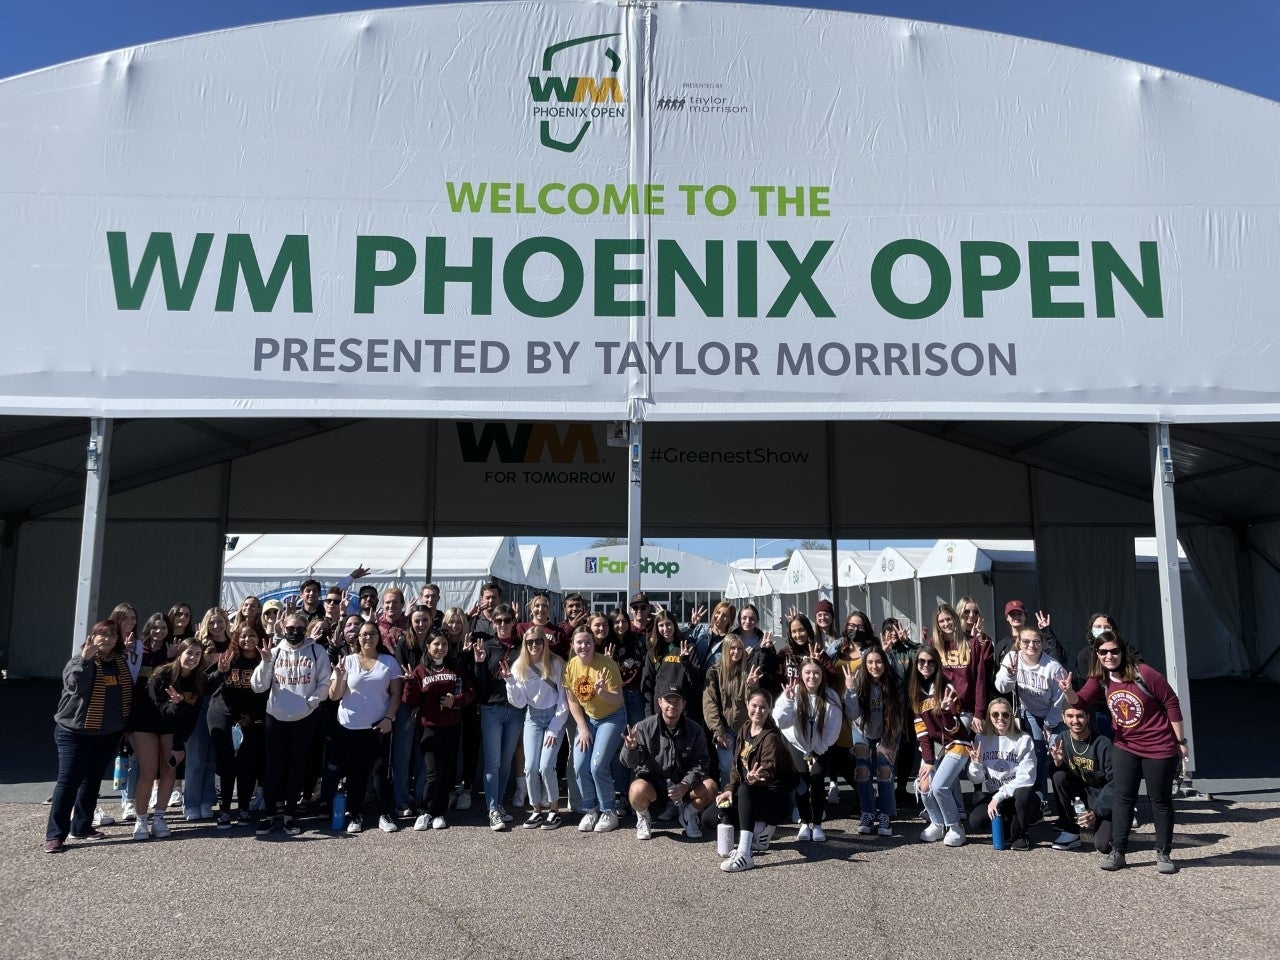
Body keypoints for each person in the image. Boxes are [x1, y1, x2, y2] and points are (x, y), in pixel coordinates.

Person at [1060, 631, 1187, 873]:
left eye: (1114, 651)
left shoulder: (1145, 673)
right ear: (1097, 655)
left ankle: (1163, 852)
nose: (1109, 656)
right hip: (1125, 745)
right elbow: (1081, 701)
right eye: (1103, 652)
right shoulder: (1100, 678)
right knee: (1123, 799)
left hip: (1158, 745)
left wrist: (1181, 741)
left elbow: (1171, 702)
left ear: (1123, 652)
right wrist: (1068, 692)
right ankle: (1118, 851)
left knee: (1159, 800)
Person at [45, 621, 133, 853]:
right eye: (102, 635)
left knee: (92, 779)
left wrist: (125, 726)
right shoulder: (79, 661)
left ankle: (82, 827)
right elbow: (76, 687)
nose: (107, 639)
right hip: (74, 732)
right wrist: (85, 660)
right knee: (68, 781)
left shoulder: (119, 664)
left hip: (107, 733)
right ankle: (55, 835)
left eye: (112, 636)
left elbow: (125, 696)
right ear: (92, 637)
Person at [250, 612, 333, 836]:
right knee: (273, 767)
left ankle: (289, 814)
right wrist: (266, 662)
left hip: (304, 718)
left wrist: (312, 702)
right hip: (275, 717)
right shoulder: (274, 652)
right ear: (283, 628)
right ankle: (269, 815)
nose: (294, 632)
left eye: (298, 628)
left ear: (305, 628)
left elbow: (325, 682)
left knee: (297, 766)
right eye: (290, 628)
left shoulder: (317, 651)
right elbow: (258, 686)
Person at [328, 620, 402, 834]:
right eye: (363, 635)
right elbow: (334, 695)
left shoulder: (388, 662)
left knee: (380, 772)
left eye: (372, 634)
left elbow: (396, 694)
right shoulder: (347, 662)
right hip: (350, 726)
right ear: (357, 639)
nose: (368, 638)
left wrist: (389, 718)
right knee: (355, 773)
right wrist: (340, 676)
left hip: (380, 725)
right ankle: (356, 814)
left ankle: (384, 814)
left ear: (379, 637)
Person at [621, 684, 717, 841]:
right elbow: (629, 763)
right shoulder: (644, 727)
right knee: (636, 790)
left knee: (711, 787)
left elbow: (701, 762)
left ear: (684, 704)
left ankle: (689, 814)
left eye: (677, 702)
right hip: (655, 785)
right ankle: (644, 817)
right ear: (659, 702)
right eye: (668, 701)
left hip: (684, 785)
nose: (672, 705)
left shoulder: (695, 730)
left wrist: (685, 784)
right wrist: (630, 748)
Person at [133, 640, 206, 839]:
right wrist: (178, 704)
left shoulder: (199, 680)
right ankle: (141, 821)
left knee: (169, 770)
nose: (193, 658)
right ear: (180, 653)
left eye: (198, 654)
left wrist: (179, 743)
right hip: (146, 725)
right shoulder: (162, 675)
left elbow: (192, 717)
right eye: (189, 653)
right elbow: (162, 708)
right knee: (148, 772)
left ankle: (159, 818)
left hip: (171, 729)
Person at [715, 690, 793, 872]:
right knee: (712, 817)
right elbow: (736, 765)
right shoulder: (745, 728)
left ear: (769, 710)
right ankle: (758, 827)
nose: (758, 710)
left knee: (745, 789)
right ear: (747, 706)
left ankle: (745, 852)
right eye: (754, 706)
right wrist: (728, 789)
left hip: (774, 800)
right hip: (751, 795)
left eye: (763, 707)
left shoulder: (771, 736)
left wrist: (756, 777)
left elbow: (768, 770)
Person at [405, 630, 474, 831]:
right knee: (433, 771)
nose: (440, 648)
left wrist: (456, 700)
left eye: (444, 644)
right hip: (429, 727)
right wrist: (409, 683)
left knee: (446, 770)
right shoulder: (420, 670)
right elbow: (410, 701)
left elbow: (470, 692)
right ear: (428, 646)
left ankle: (439, 812)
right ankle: (425, 811)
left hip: (452, 726)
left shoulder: (455, 667)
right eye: (436, 644)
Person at [563, 625, 626, 833]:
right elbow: (572, 701)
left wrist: (601, 692)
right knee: (580, 764)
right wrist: (582, 728)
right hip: (589, 719)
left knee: (597, 765)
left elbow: (617, 699)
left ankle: (609, 810)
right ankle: (591, 809)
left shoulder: (607, 664)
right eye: (579, 642)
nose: (584, 646)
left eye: (588, 642)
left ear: (593, 644)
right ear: (573, 645)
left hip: (612, 716)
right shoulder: (571, 667)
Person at [505, 626, 569, 830]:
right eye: (530, 642)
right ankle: (536, 810)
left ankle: (554, 810)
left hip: (553, 716)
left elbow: (563, 700)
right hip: (532, 718)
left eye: (538, 641)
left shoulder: (556, 663)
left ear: (545, 642)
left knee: (546, 765)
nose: (534, 645)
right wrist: (510, 682)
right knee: (531, 767)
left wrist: (554, 727)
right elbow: (519, 702)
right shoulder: (519, 666)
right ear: (525, 644)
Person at [468, 602, 524, 831]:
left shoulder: (522, 648)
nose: (503, 625)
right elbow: (479, 684)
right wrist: (479, 663)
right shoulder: (487, 646)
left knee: (507, 759)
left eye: (507, 620)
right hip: (491, 709)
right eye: (498, 621)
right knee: (492, 760)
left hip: (515, 709)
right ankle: (492, 808)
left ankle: (499, 803)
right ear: (493, 623)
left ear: (513, 622)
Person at [994, 626, 1067, 802]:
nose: (1031, 645)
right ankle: (1041, 800)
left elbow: (1060, 700)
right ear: (1019, 643)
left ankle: (1067, 799)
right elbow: (1002, 687)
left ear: (1042, 644)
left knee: (1060, 753)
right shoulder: (1012, 658)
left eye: (1036, 641)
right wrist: (1010, 675)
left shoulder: (1053, 667)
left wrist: (1049, 725)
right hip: (1031, 712)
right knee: (1037, 753)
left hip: (1054, 713)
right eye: (1026, 641)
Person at [206, 622, 268, 828]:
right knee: (225, 763)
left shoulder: (264, 660)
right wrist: (220, 672)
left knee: (247, 763)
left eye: (252, 635)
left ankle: (243, 808)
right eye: (242, 636)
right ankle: (224, 810)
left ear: (259, 637)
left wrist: (252, 716)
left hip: (250, 717)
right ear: (236, 638)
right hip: (222, 713)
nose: (247, 639)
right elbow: (207, 685)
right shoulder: (228, 657)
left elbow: (268, 694)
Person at [773, 659, 843, 842]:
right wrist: (788, 702)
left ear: (822, 675)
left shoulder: (831, 696)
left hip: (822, 746)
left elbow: (833, 730)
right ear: (801, 675)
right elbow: (780, 721)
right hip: (797, 744)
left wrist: (816, 752)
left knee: (818, 779)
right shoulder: (792, 693)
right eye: (808, 673)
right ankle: (805, 823)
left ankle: (818, 824)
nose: (812, 677)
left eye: (816, 673)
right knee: (801, 781)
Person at [911, 644, 970, 847]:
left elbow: (954, 728)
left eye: (930, 662)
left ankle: (956, 827)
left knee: (939, 787)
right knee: (923, 785)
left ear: (937, 664)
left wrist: (945, 711)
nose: (925, 665)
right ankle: (937, 823)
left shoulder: (947, 689)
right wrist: (928, 761)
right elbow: (922, 731)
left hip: (957, 743)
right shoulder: (916, 692)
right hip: (936, 747)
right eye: (921, 661)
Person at [966, 697, 1041, 849]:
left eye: (1005, 714)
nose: (1001, 718)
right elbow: (976, 779)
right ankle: (1012, 820)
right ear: (989, 717)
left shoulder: (1023, 739)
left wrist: (998, 797)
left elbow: (1027, 778)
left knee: (1024, 796)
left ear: (1011, 717)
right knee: (976, 821)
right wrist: (976, 763)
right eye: (995, 715)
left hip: (1017, 794)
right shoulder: (981, 739)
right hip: (997, 794)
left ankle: (1023, 833)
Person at [844, 646, 903, 836]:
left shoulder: (895, 683)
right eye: (870, 662)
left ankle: (885, 814)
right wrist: (851, 690)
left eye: (878, 662)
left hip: (887, 730)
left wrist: (889, 740)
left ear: (885, 663)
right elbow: (852, 714)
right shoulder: (858, 680)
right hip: (862, 729)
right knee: (863, 772)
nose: (874, 666)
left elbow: (898, 716)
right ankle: (868, 812)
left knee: (885, 771)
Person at [1049, 704, 1115, 854]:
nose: (1075, 721)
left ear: (1088, 718)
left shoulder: (1103, 744)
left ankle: (1120, 818)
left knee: (1103, 846)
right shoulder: (1062, 739)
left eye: (1080, 716)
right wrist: (1058, 763)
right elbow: (1057, 779)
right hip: (1080, 794)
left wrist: (1095, 811)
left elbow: (1115, 783)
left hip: (1101, 795)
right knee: (1058, 776)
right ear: (1063, 719)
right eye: (1070, 716)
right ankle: (1070, 830)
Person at [391, 604, 435, 816]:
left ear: (431, 620)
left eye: (424, 620)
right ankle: (401, 800)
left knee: (423, 753)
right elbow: (403, 676)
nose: (421, 624)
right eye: (417, 620)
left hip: (428, 705)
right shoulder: (403, 643)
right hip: (406, 705)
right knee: (402, 753)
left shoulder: (434, 643)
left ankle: (419, 798)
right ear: (410, 622)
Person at [702, 634, 761, 787]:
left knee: (746, 767)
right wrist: (718, 730)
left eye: (739, 648)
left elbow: (755, 705)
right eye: (732, 648)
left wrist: (751, 686)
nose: (736, 652)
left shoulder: (749, 670)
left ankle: (744, 802)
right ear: (726, 649)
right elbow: (710, 703)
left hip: (746, 729)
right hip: (725, 729)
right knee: (727, 768)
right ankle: (728, 801)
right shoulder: (714, 671)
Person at [932, 601, 991, 736]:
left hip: (965, 709)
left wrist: (979, 712)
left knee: (958, 749)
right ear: (937, 625)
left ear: (955, 618)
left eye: (948, 619)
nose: (946, 623)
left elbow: (979, 680)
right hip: (940, 707)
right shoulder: (933, 645)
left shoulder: (972, 642)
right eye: (941, 621)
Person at [641, 609, 705, 713]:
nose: (665, 629)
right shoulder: (653, 652)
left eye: (668, 624)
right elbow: (648, 683)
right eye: (661, 625)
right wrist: (649, 712)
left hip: (684, 709)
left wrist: (685, 661)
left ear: (674, 624)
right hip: (661, 709)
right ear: (656, 628)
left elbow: (696, 681)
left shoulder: (688, 648)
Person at [995, 600, 1065, 664]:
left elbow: (1059, 658)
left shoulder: (1037, 641)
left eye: (1019, 614)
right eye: (1012, 614)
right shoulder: (1002, 646)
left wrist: (1047, 631)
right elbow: (997, 673)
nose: (1016, 617)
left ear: (1025, 616)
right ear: (1007, 617)